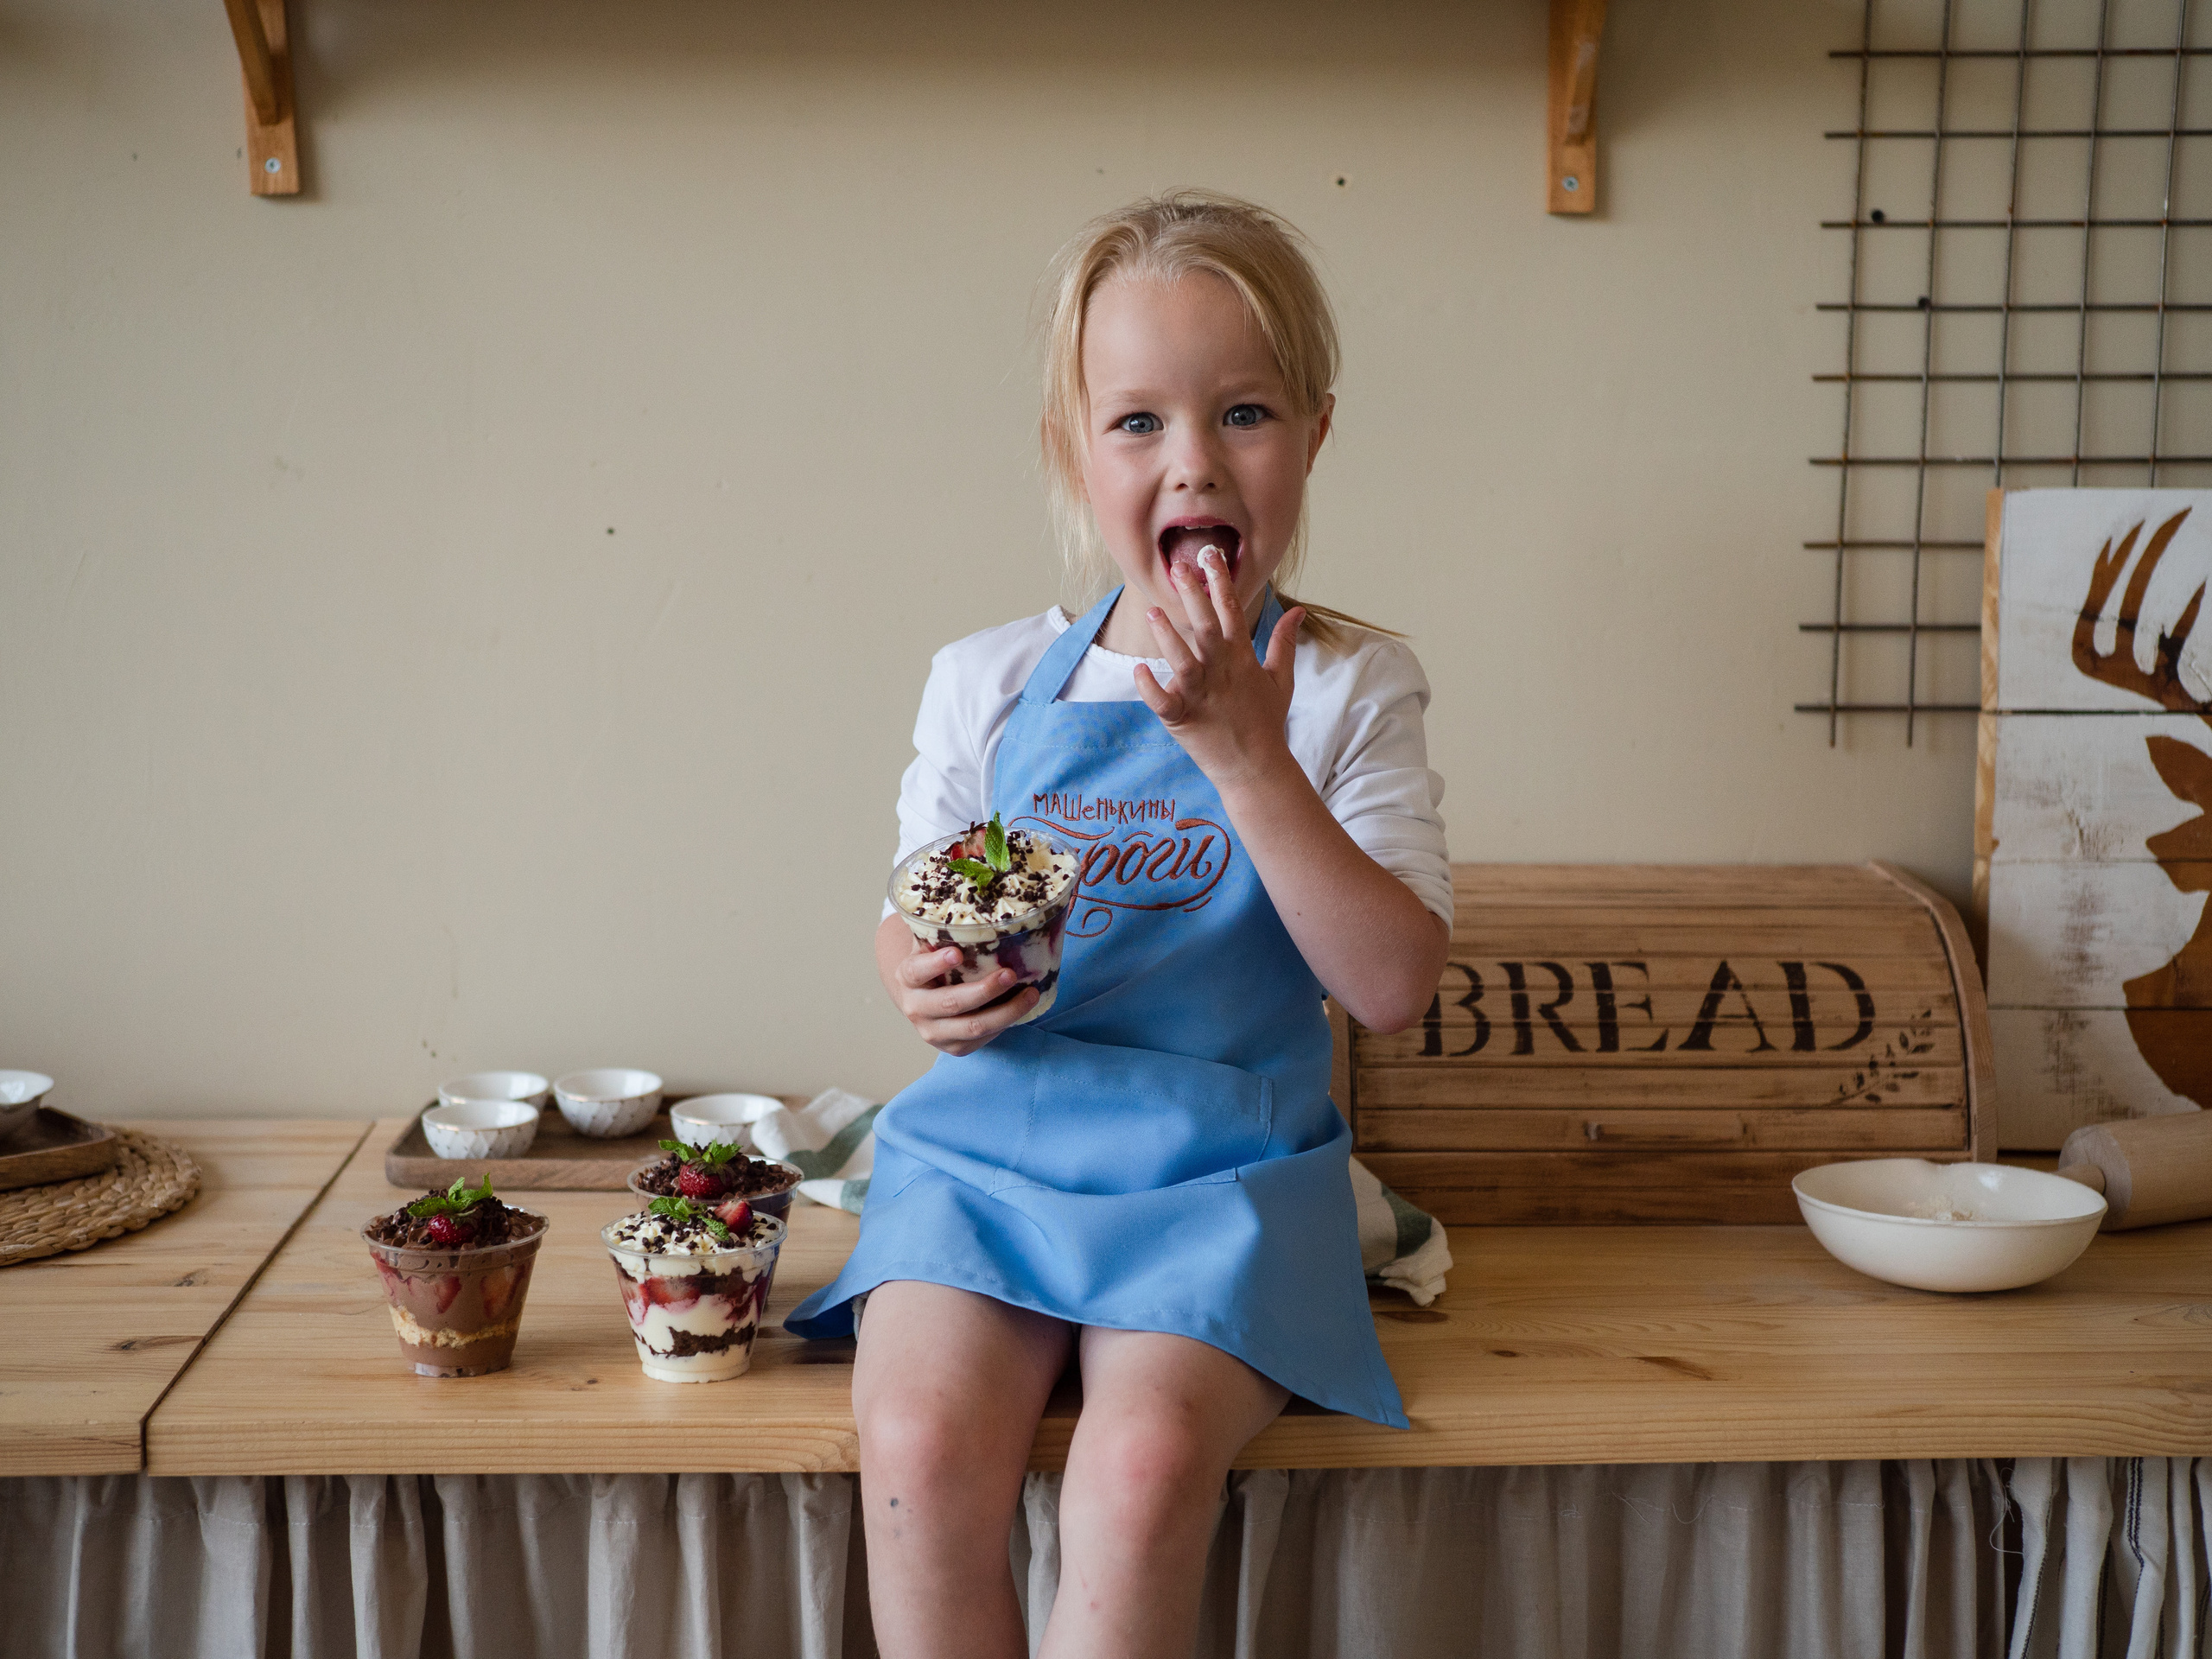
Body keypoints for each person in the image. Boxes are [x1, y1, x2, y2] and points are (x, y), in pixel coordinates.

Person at [786, 189, 1452, 1659]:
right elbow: (910, 911)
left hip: (1220, 1175)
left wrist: (1245, 756)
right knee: (910, 1439)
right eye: (1137, 421)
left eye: (1246, 413)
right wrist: (923, 980)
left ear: (1317, 437)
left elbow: (1395, 984)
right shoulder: (992, 679)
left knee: (1144, 1470)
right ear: (1072, 457)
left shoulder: (1348, 688)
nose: (1193, 460)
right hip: (987, 1160)